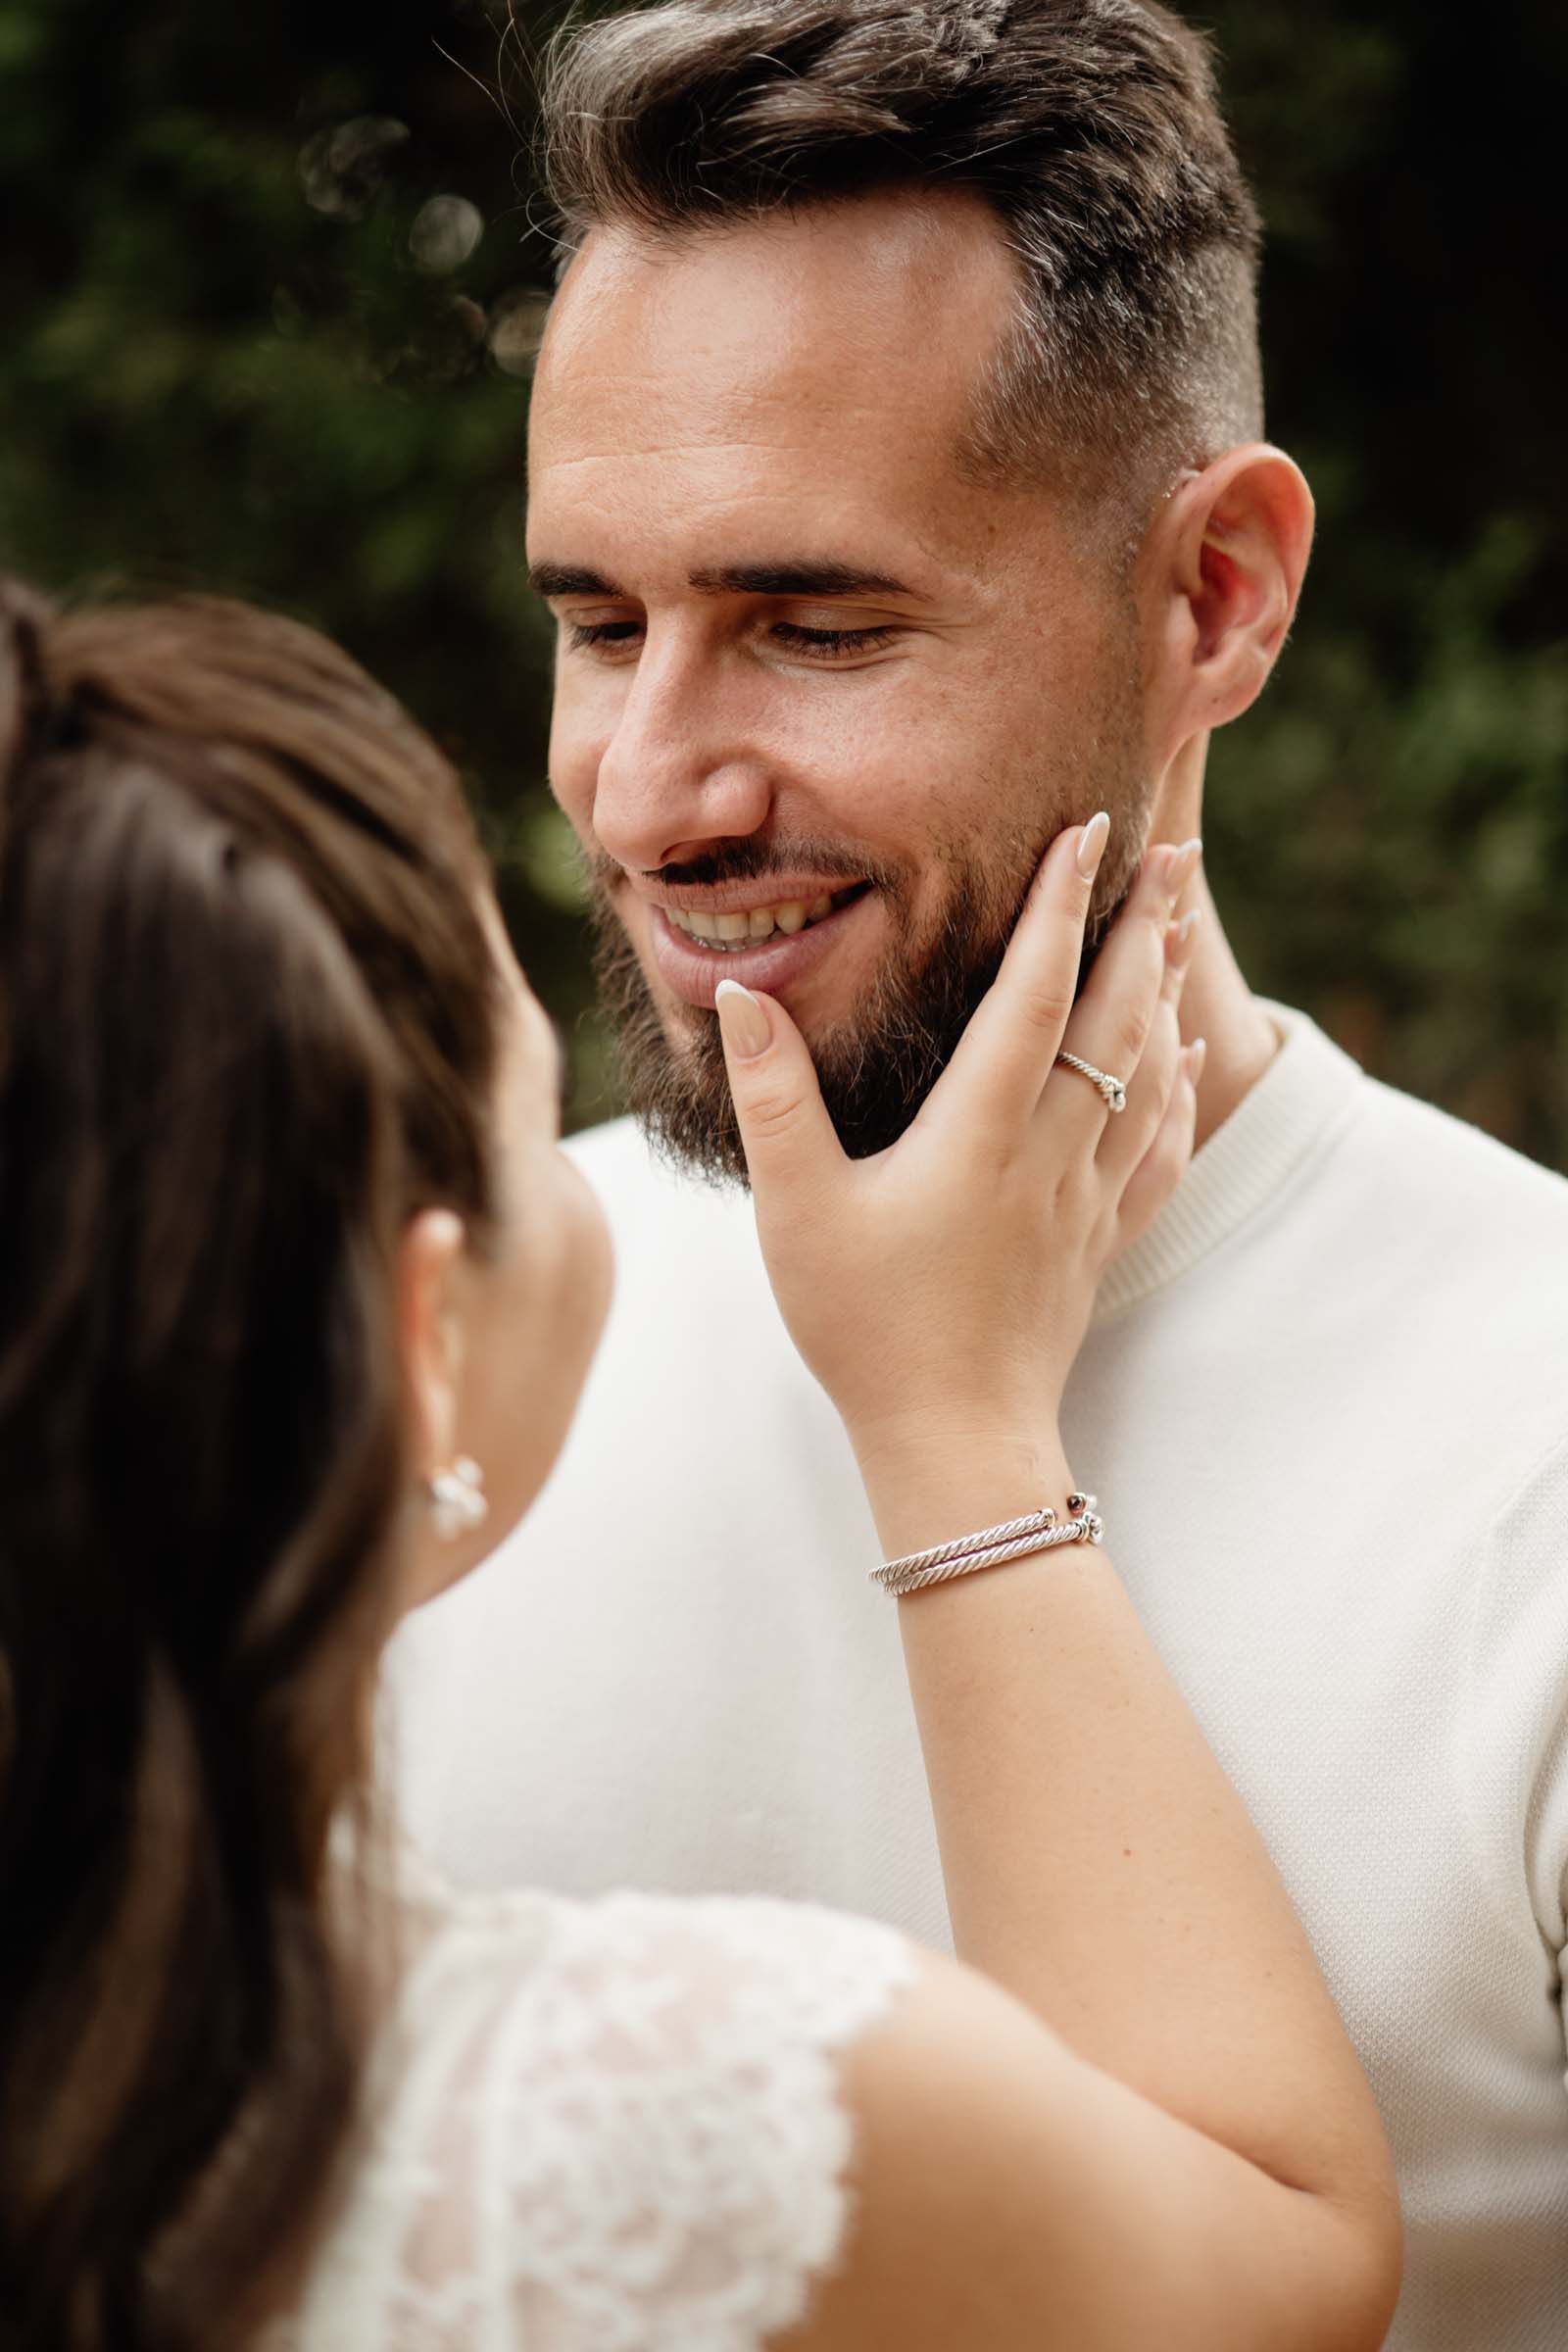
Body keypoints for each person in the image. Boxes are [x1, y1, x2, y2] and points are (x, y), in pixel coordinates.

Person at [386, 3, 1568, 2346]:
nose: (643, 790)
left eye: (813, 624)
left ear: (1213, 595)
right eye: (596, 625)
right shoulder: (430, 1355)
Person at [0, 576, 1397, 2347]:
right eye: (533, 1121)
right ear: (418, 1346)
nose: (651, 795)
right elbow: (1282, 2257)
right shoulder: (650, 2126)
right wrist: (954, 1424)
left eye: (820, 628)